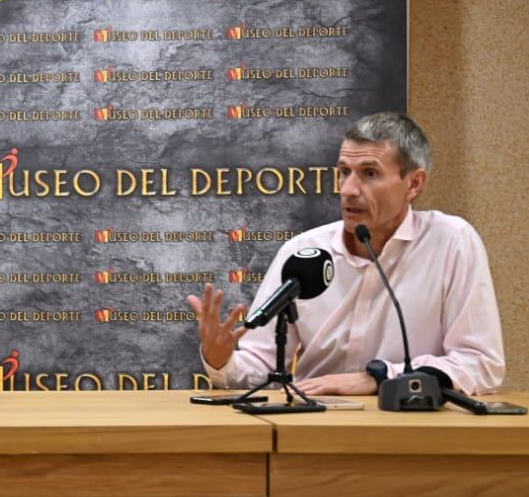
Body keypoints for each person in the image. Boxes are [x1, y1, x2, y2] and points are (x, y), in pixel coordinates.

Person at [187, 111, 505, 395]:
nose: (348, 189)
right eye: (344, 172)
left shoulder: (451, 242)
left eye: (369, 173)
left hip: (409, 430)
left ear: (413, 184)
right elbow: (262, 369)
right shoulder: (302, 253)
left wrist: (380, 378)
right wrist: (222, 360)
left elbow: (480, 364)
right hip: (314, 431)